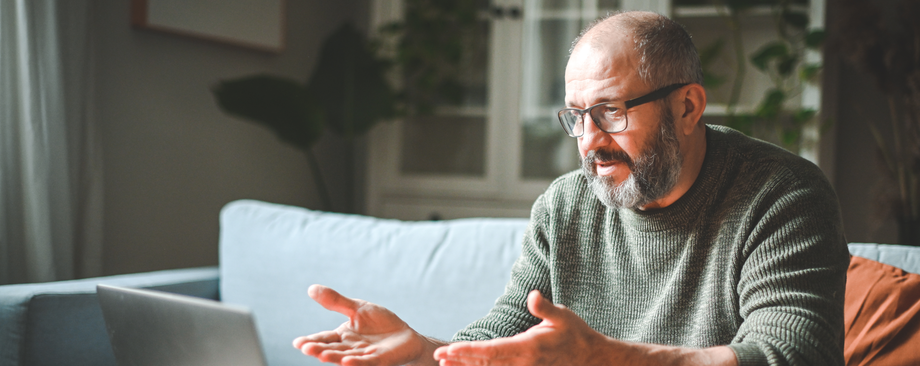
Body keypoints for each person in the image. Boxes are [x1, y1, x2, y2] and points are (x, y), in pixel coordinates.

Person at [293, 11, 849, 366]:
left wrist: (608, 359)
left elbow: (792, 355)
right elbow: (507, 334)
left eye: (609, 111)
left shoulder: (782, 196)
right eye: (577, 116)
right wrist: (426, 352)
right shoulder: (564, 206)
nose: (590, 141)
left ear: (687, 106)